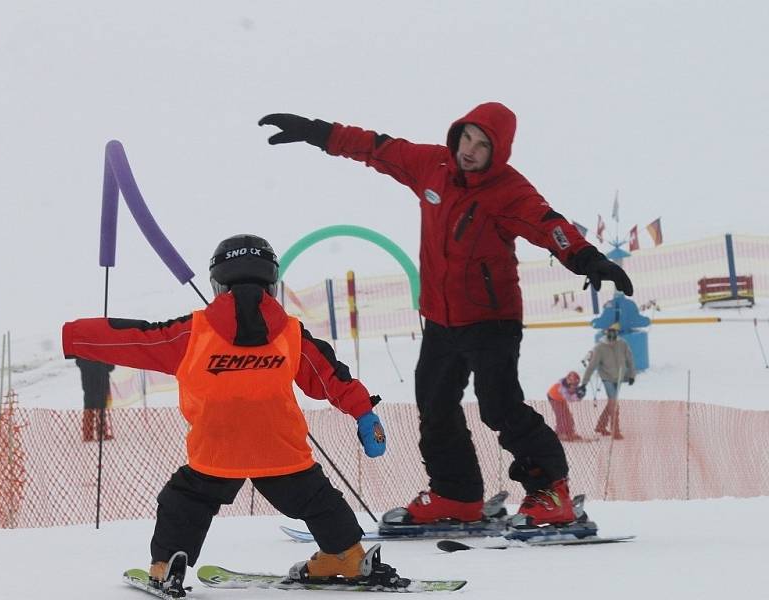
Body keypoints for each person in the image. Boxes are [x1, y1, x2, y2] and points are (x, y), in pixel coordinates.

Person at [259, 104, 634, 526]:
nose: (469, 150)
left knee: (499, 406)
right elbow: (375, 147)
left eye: (482, 145)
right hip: (440, 319)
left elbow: (549, 225)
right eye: (466, 138)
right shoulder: (431, 165)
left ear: (500, 152)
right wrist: (315, 132)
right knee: (434, 405)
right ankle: (456, 496)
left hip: (492, 319)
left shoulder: (508, 190)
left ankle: (552, 491)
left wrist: (587, 259)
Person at [62, 234, 402, 597]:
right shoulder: (289, 333)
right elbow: (331, 377)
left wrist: (73, 336)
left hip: (216, 450)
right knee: (318, 499)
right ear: (271, 283)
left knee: (185, 501)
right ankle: (346, 556)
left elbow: (138, 340)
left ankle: (167, 565)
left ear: (217, 284)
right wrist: (363, 413)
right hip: (281, 449)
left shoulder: (191, 334)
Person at [578, 325, 636, 440]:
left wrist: (631, 375)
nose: (612, 334)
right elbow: (591, 366)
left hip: (619, 377)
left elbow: (630, 359)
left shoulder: (622, 344)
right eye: (610, 332)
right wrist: (584, 383)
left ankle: (601, 425)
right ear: (606, 332)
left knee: (611, 402)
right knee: (614, 403)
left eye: (614, 332)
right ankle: (615, 430)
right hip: (607, 378)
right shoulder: (599, 348)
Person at [75, 357, 114, 441]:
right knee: (101, 410)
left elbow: (78, 362)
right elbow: (111, 367)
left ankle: (87, 434)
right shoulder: (102, 350)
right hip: (101, 383)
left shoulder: (82, 351)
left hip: (87, 384)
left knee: (88, 408)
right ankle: (102, 433)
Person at [546, 371, 585, 442]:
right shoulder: (562, 388)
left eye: (576, 384)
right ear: (569, 382)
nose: (574, 386)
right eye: (573, 384)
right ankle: (561, 433)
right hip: (553, 398)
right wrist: (577, 396)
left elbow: (572, 395)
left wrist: (580, 394)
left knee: (568, 415)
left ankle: (570, 432)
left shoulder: (570, 386)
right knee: (561, 415)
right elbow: (569, 398)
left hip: (561, 399)